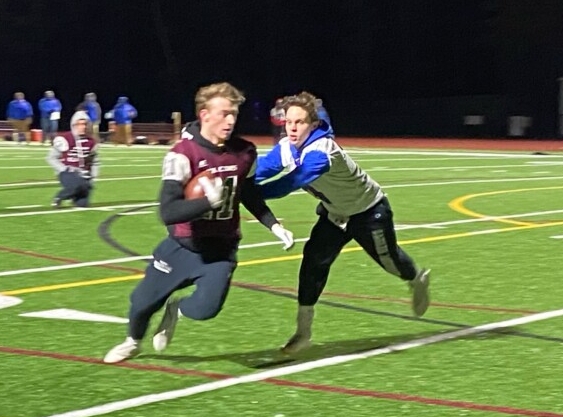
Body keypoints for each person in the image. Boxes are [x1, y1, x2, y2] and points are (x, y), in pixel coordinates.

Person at [103, 82, 295, 363]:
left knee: (205, 309)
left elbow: (249, 194)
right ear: (205, 115)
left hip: (221, 249)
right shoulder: (182, 154)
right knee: (142, 303)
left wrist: (274, 225)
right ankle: (133, 341)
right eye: (224, 113)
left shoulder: (245, 152)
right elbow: (167, 212)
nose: (230, 120)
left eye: (234, 114)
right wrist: (207, 203)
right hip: (182, 246)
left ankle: (175, 309)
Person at [256, 91, 430, 354]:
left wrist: (247, 193)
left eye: (299, 122)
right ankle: (303, 332)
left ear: (313, 125)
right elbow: (260, 169)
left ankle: (416, 279)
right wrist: (228, 173)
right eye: (288, 121)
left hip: (368, 211)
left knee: (390, 262)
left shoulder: (322, 152)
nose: (291, 128)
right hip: (335, 213)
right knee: (313, 260)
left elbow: (290, 182)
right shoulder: (287, 147)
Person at [46, 111, 100, 208]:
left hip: (84, 175)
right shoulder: (65, 138)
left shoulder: (91, 142)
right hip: (67, 172)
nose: (82, 127)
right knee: (78, 184)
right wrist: (64, 169)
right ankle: (59, 197)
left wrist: (93, 177)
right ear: (73, 124)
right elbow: (51, 157)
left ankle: (75, 194)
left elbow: (95, 162)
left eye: (84, 124)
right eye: (79, 124)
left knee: (82, 204)